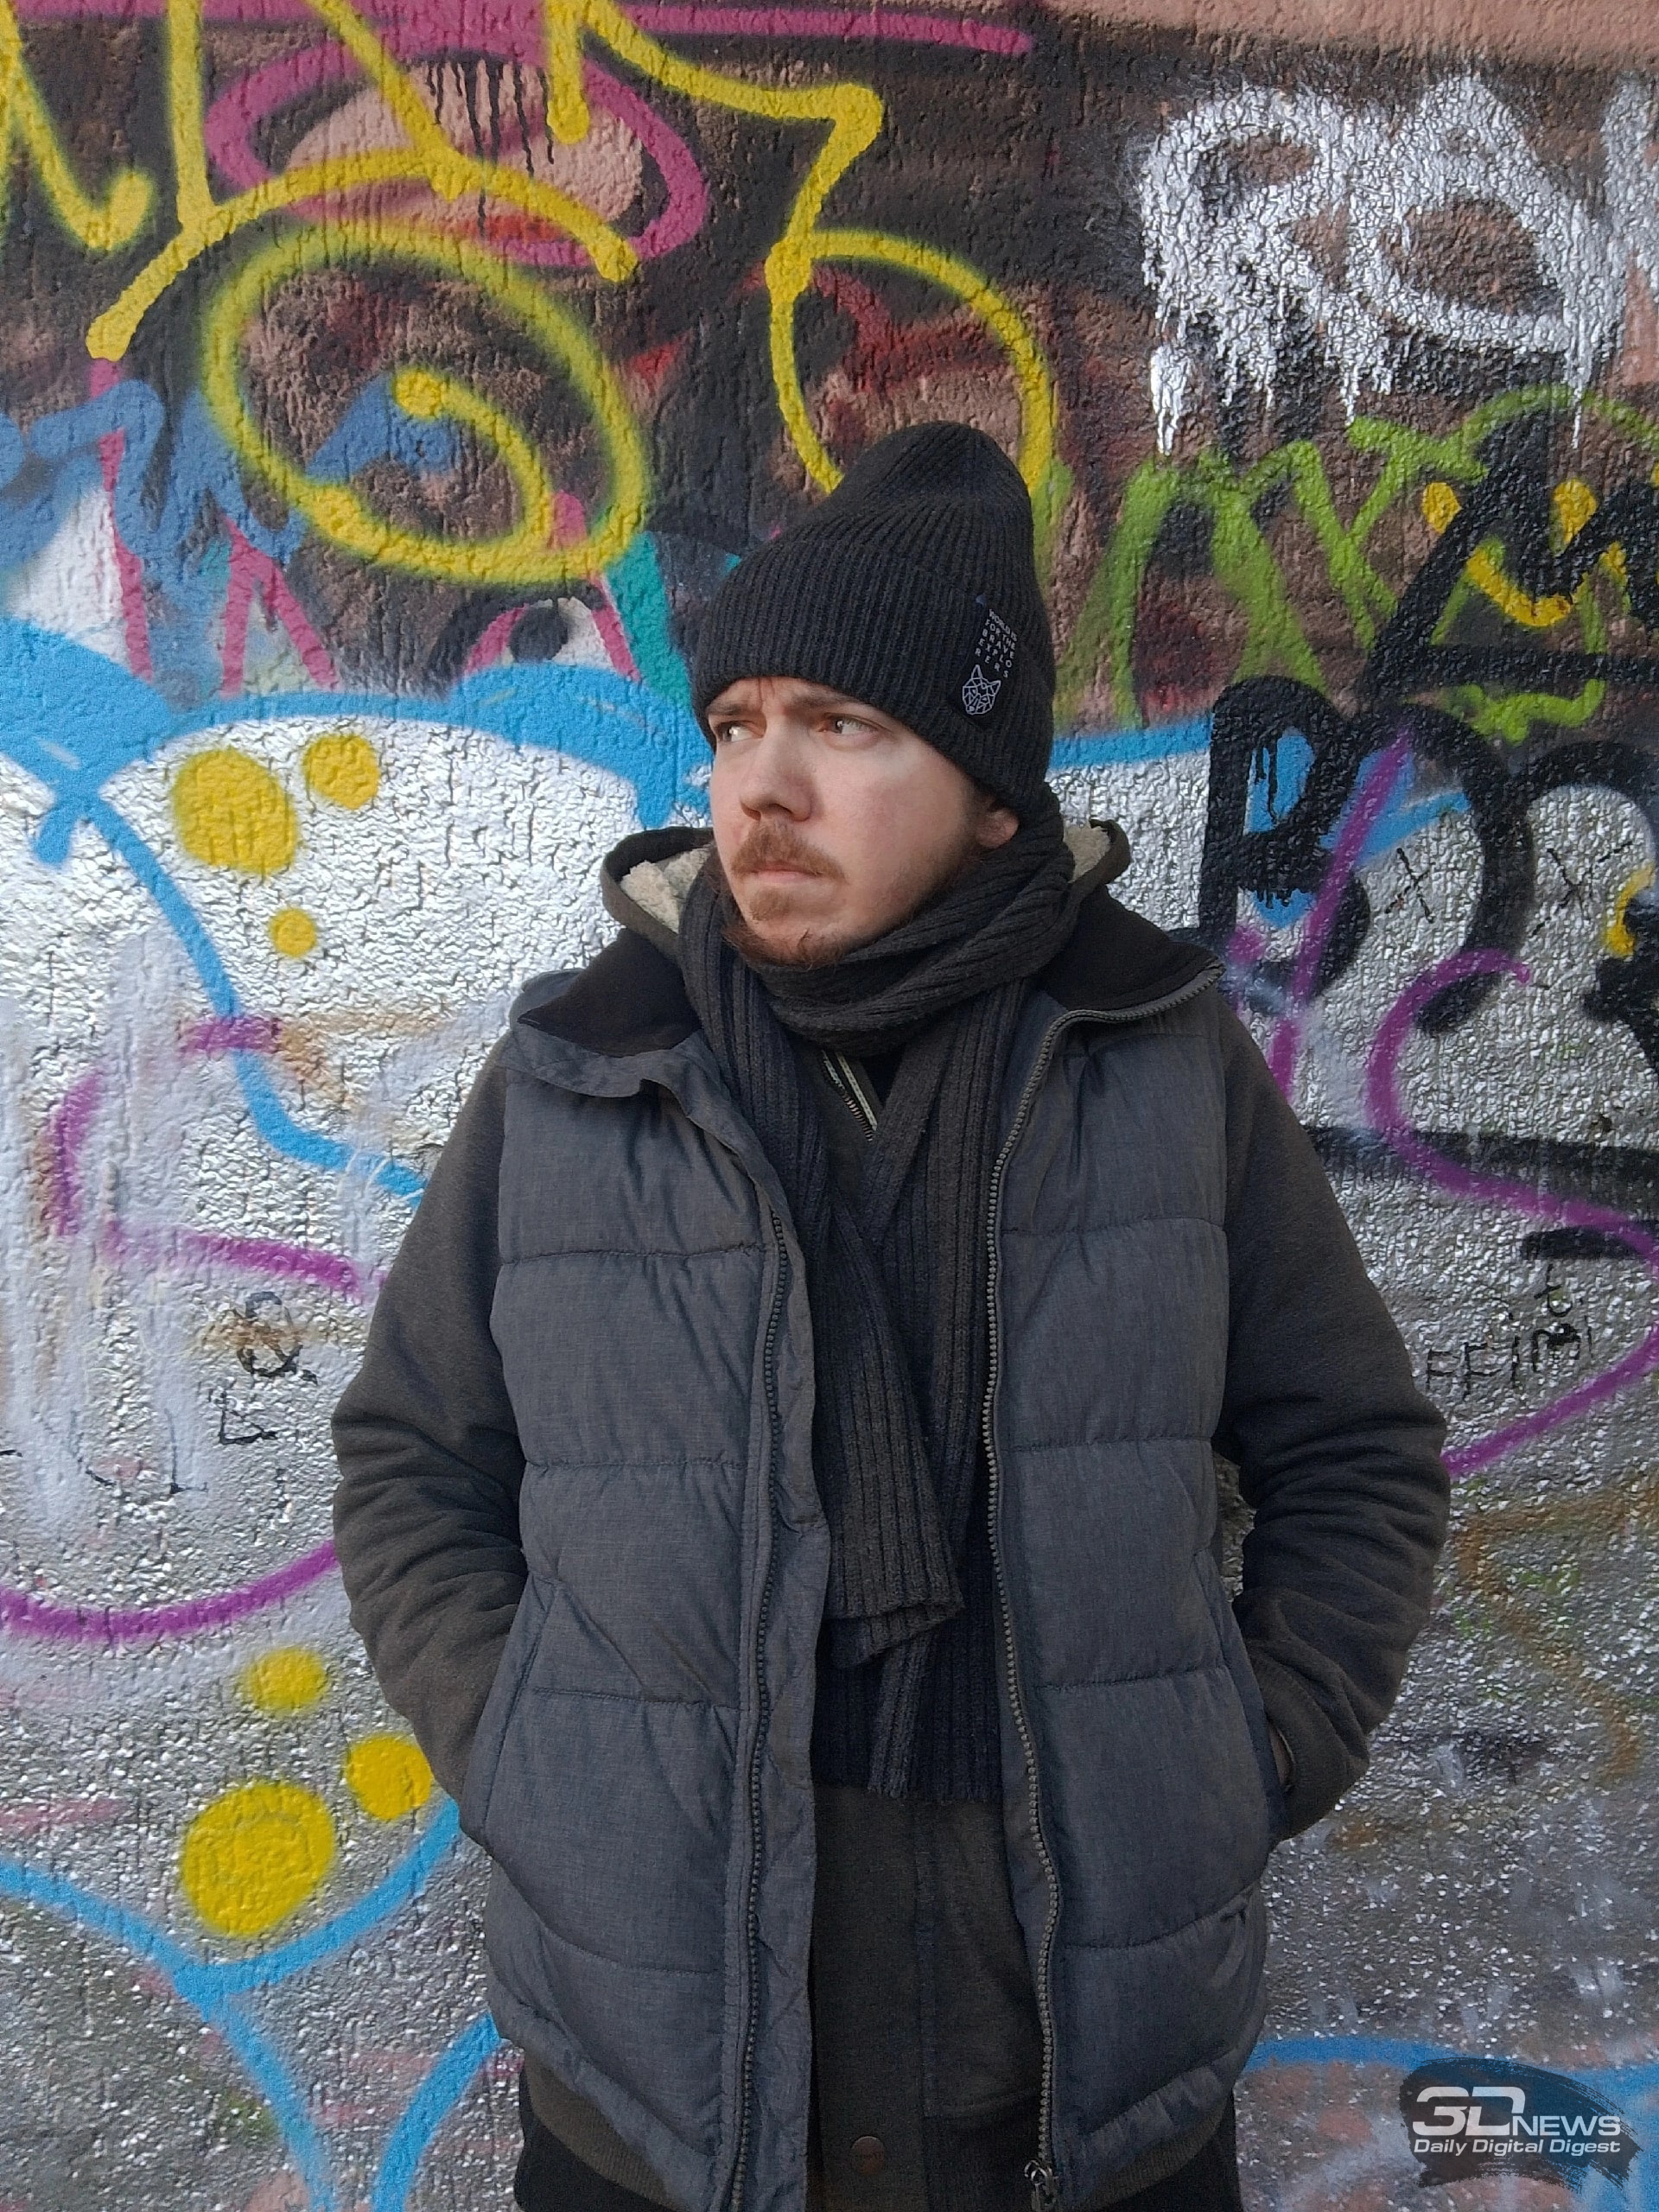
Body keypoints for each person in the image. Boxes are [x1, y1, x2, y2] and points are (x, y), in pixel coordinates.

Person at [330, 423, 1450, 2212]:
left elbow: (1357, 1452)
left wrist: (1241, 1756)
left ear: (992, 790)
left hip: (1087, 2053)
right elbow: (411, 1461)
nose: (762, 785)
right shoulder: (582, 1079)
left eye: (843, 725)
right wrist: (535, 1753)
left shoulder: (1157, 1061)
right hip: (657, 2063)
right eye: (735, 723)